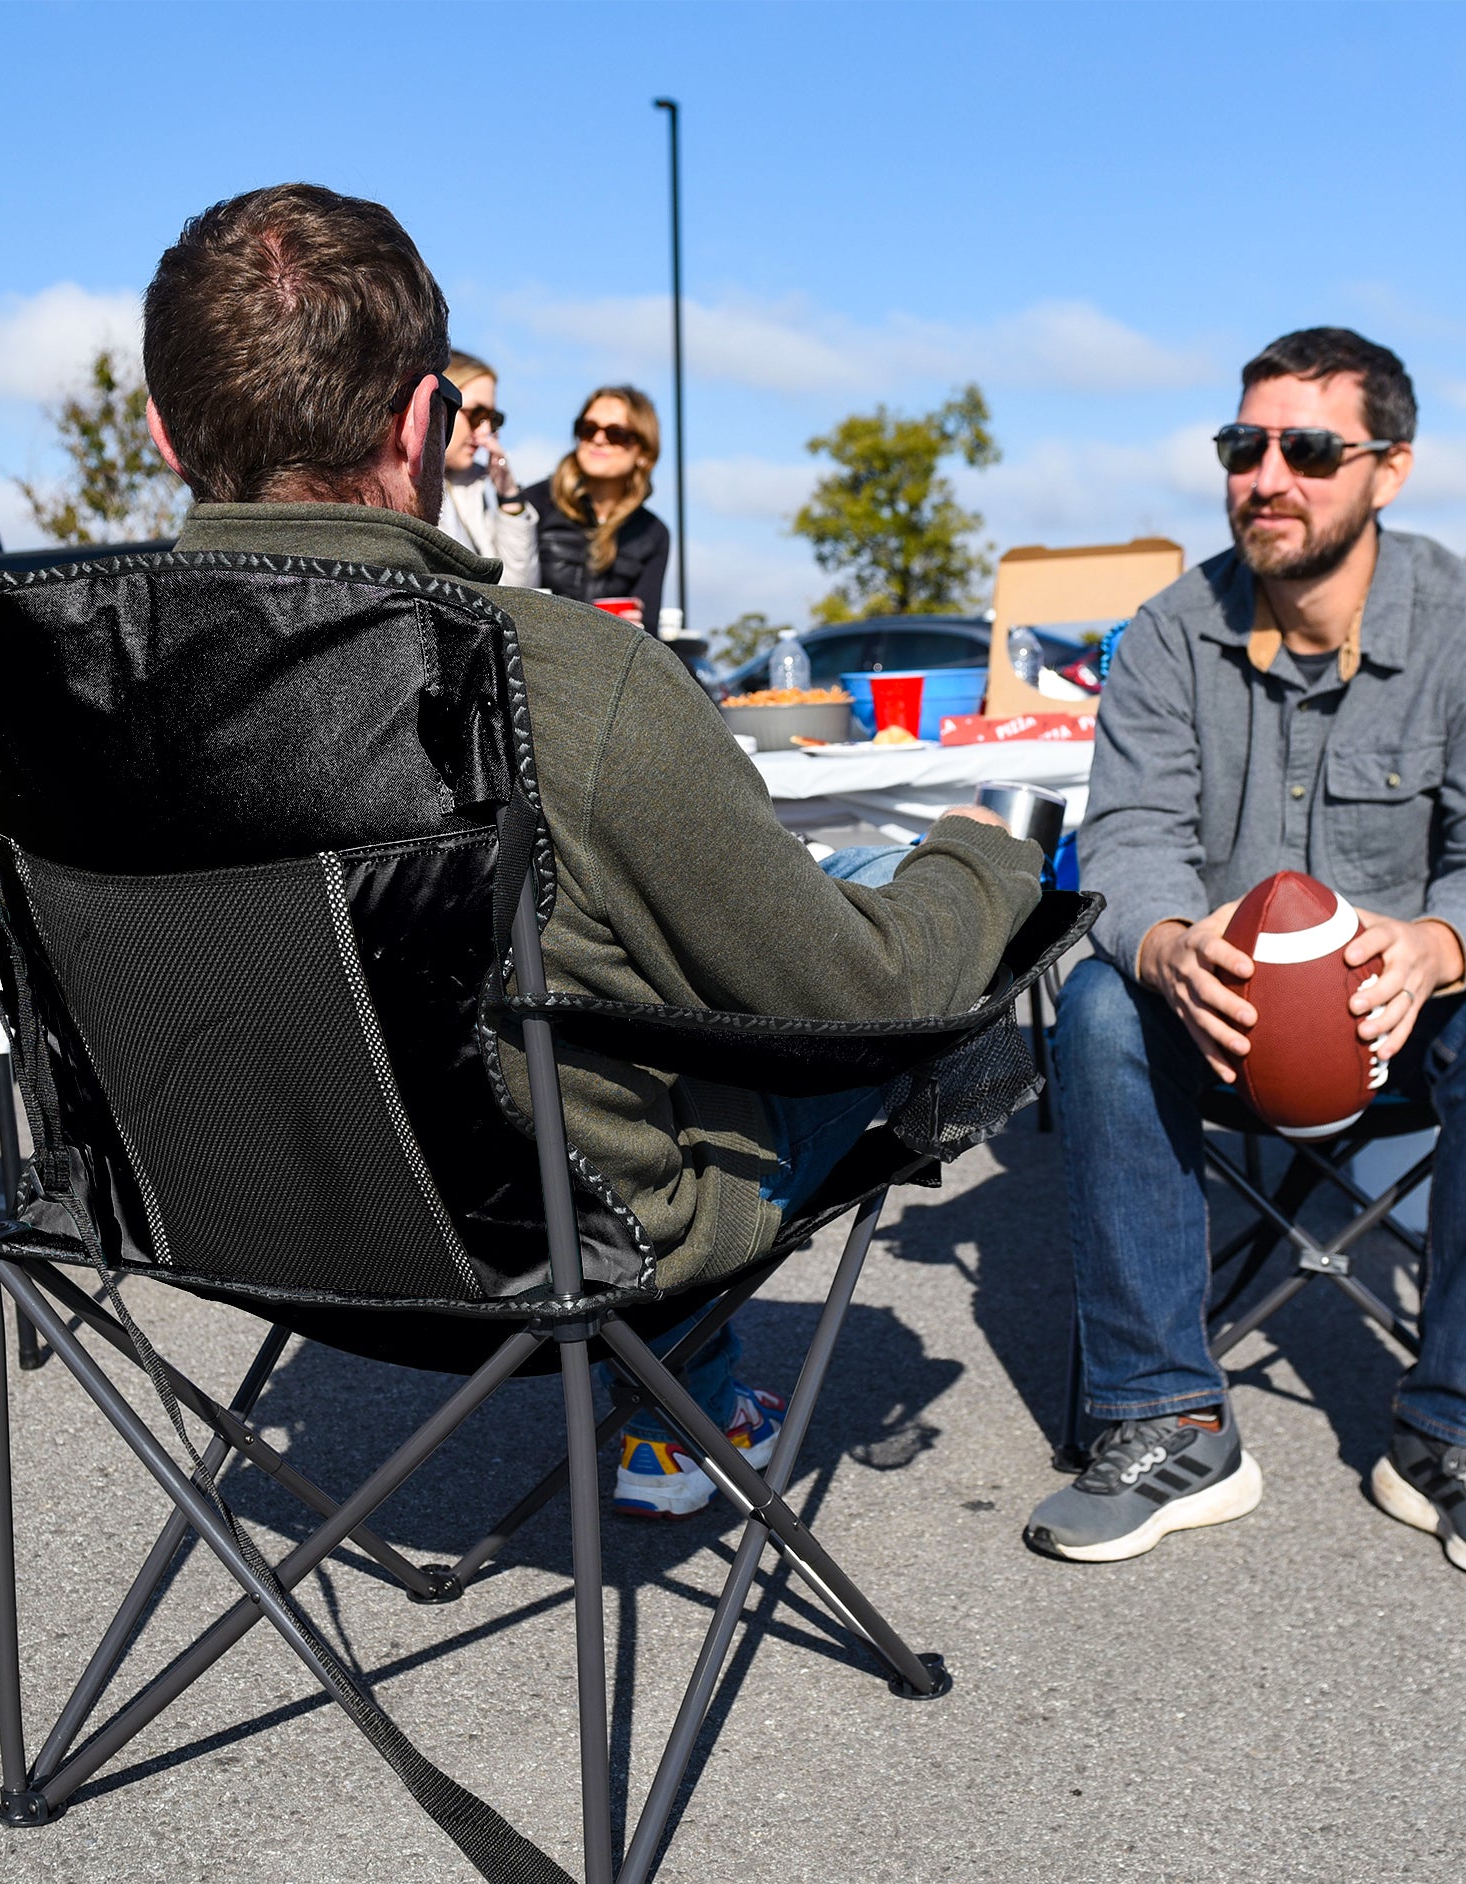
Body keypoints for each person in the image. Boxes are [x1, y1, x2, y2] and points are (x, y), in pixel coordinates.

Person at [140, 184, 1044, 1517]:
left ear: (163, 432)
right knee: (929, 951)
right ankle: (685, 1398)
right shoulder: (559, 677)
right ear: (421, 422)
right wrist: (985, 863)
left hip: (217, 1219)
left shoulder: (56, 686)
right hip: (553, 1246)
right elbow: (859, 997)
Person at [1029, 327, 1466, 1581]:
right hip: (1220, 1020)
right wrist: (1167, 940)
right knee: (1096, 1001)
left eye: (1306, 448)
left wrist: (1438, 943)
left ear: (1387, 469)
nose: (1265, 476)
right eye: (1243, 446)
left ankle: (1464, 1429)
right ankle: (1165, 1419)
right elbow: (1126, 834)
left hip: (1404, 1020)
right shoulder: (1166, 631)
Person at [523, 386, 669, 626]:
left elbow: (650, 631)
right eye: (588, 429)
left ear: (643, 452)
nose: (598, 440)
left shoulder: (653, 533)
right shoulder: (535, 503)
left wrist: (635, 628)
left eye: (616, 434)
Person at [437, 350, 539, 586]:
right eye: (476, 415)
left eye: (492, 420)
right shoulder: (398, 480)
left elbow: (521, 591)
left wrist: (509, 497)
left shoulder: (479, 485)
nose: (485, 432)